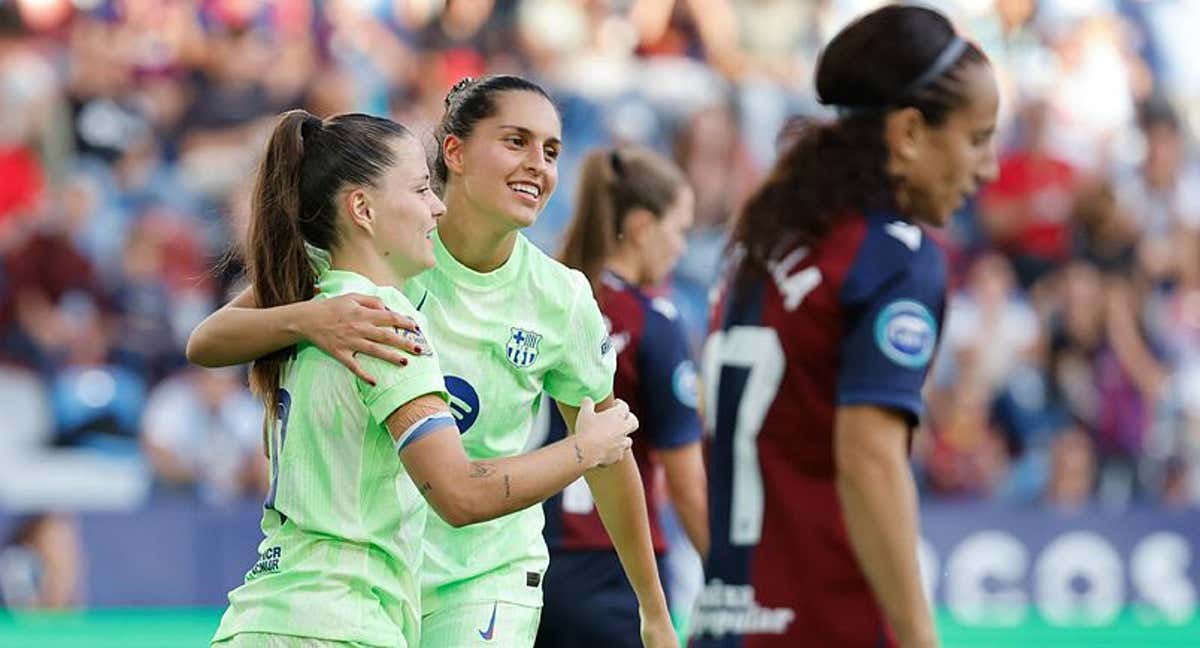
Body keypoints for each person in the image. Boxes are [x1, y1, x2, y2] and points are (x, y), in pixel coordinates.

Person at [189, 77, 678, 648]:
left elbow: (608, 457)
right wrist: (310, 319)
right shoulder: (376, 266)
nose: (537, 166)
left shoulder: (560, 298)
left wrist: (653, 608)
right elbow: (209, 340)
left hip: (479, 574)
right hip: (379, 578)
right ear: (455, 152)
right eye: (515, 141)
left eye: (550, 151)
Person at [691, 5, 999, 648]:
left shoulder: (763, 248)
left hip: (726, 625)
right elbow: (870, 461)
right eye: (977, 138)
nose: (988, 167)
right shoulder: (896, 257)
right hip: (829, 623)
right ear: (910, 132)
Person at [536, 146, 708, 647]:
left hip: (531, 561)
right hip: (616, 567)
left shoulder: (549, 301)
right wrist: (730, 582)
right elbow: (687, 483)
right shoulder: (652, 321)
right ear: (641, 227)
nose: (681, 248)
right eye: (678, 229)